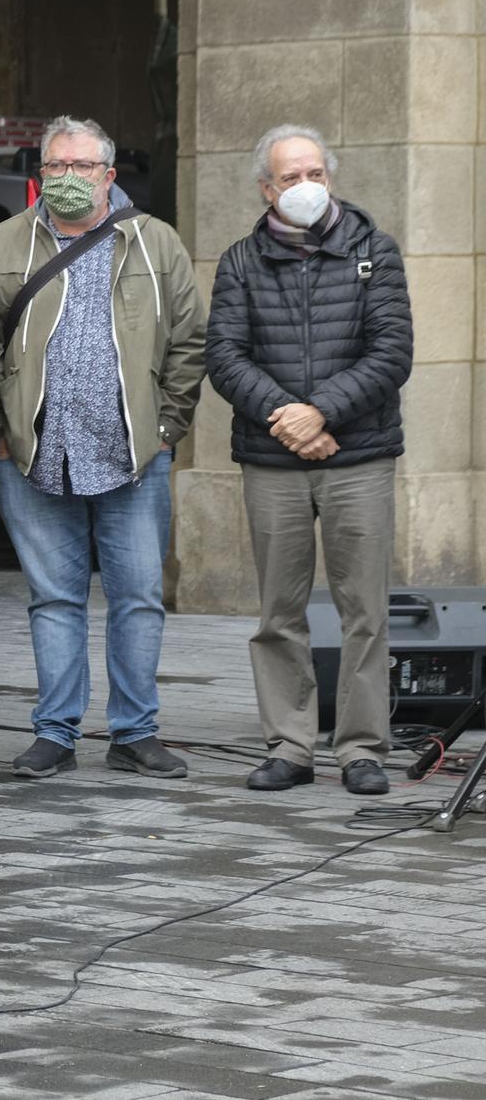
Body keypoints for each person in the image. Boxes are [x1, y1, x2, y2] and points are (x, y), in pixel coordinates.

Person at [0, 115, 206, 781]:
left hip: (131, 456)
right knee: (53, 599)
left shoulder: (155, 242)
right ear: (39, 173)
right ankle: (54, 732)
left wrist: (166, 431)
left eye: (81, 167)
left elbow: (191, 341)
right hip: (34, 455)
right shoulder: (2, 241)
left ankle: (135, 732)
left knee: (137, 596)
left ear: (109, 174)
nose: (67, 178)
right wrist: (0, 428)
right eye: (56, 167)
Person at [206, 126, 412, 797]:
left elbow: (391, 353)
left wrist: (320, 411)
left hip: (359, 456)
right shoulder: (240, 262)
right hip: (273, 458)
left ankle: (361, 748)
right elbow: (225, 357)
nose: (304, 187)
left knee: (364, 609)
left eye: (314, 173)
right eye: (289, 177)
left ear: (331, 178)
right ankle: (290, 745)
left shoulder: (375, 252)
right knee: (278, 611)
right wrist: (291, 422)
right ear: (267, 189)